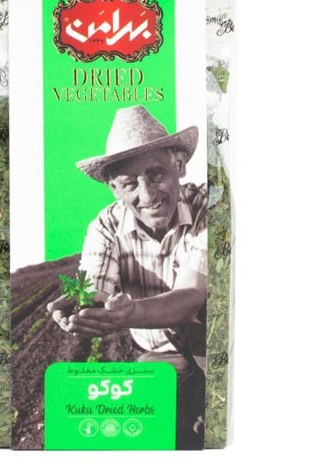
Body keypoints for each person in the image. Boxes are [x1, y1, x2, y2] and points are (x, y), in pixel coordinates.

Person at [47, 105, 208, 449]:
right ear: (113, 188)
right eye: (130, 184)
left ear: (179, 164)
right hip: (161, 355)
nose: (147, 195)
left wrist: (129, 313)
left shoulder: (208, 207)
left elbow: (193, 294)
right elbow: (95, 285)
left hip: (217, 346)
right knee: (156, 432)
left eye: (156, 174)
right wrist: (83, 303)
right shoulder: (105, 226)